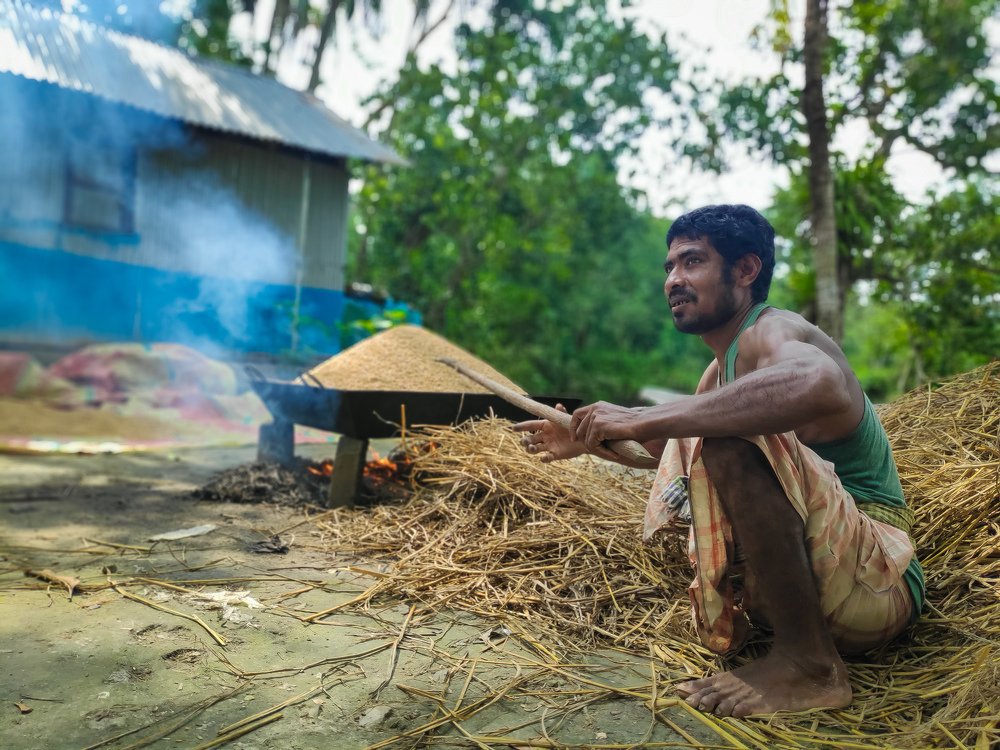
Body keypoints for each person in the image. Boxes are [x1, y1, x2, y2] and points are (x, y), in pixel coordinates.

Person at [513, 204, 924, 718]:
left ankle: (811, 666)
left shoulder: (773, 331)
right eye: (669, 267)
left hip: (876, 580)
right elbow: (673, 456)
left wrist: (639, 415)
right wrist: (586, 438)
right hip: (826, 579)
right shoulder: (717, 374)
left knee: (727, 435)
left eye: (692, 261)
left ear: (746, 269)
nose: (673, 280)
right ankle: (794, 643)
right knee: (713, 429)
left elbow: (819, 381)